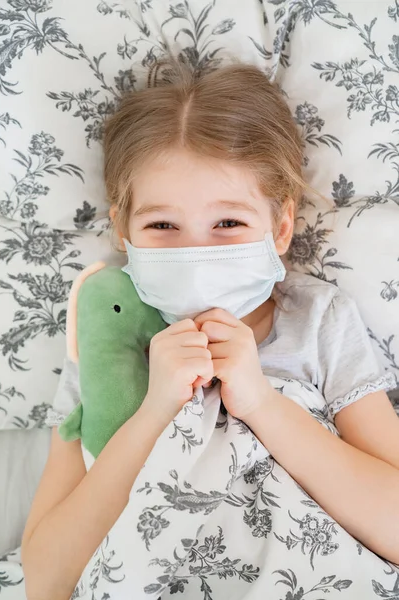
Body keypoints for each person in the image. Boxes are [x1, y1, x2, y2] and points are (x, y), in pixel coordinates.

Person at [21, 57, 399, 600]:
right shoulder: (108, 335)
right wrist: (153, 411)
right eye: (162, 225)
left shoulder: (318, 320)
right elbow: (46, 580)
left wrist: (264, 405)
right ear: (123, 233)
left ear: (281, 227)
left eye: (228, 223)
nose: (196, 253)